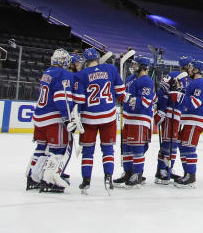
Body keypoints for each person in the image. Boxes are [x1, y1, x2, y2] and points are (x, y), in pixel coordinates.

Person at [72, 47, 127, 193]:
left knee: (88, 151)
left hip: (89, 118)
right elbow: (121, 93)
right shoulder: (110, 69)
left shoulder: (81, 75)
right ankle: (108, 177)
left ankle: (86, 181)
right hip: (108, 116)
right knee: (108, 149)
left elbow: (78, 100)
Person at [28, 48, 76, 193]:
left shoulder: (47, 72)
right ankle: (49, 181)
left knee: (41, 149)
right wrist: (68, 119)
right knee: (58, 149)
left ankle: (32, 177)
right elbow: (61, 98)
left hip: (39, 118)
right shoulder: (63, 73)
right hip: (52, 118)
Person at [114, 55, 155, 187]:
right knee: (126, 147)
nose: (133, 66)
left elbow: (145, 101)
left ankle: (137, 174)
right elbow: (124, 95)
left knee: (137, 147)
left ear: (143, 66)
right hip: (128, 118)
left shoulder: (147, 81)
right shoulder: (130, 79)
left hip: (140, 118)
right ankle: (128, 172)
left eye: (136, 64)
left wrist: (128, 98)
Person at [155, 56, 191, 184]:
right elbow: (161, 92)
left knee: (173, 144)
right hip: (170, 113)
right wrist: (161, 110)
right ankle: (161, 170)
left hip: (177, 114)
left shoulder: (188, 80)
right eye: (190, 65)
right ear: (186, 65)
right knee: (167, 143)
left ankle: (168, 167)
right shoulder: (174, 75)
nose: (191, 68)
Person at [175, 59, 203, 187]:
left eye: (191, 67)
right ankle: (187, 174)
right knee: (182, 145)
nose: (189, 69)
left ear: (196, 70)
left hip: (196, 119)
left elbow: (195, 102)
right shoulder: (193, 82)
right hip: (188, 119)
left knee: (189, 147)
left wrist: (179, 96)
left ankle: (191, 176)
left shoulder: (200, 82)